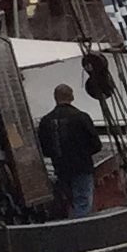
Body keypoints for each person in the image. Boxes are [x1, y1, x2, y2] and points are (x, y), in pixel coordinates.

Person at [36, 83, 102, 217]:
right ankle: (81, 226)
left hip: (60, 168)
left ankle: (71, 222)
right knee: (82, 201)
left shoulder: (46, 121)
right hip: (82, 166)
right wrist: (84, 153)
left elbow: (44, 148)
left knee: (69, 200)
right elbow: (96, 144)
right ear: (72, 97)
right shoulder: (81, 117)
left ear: (55, 97)